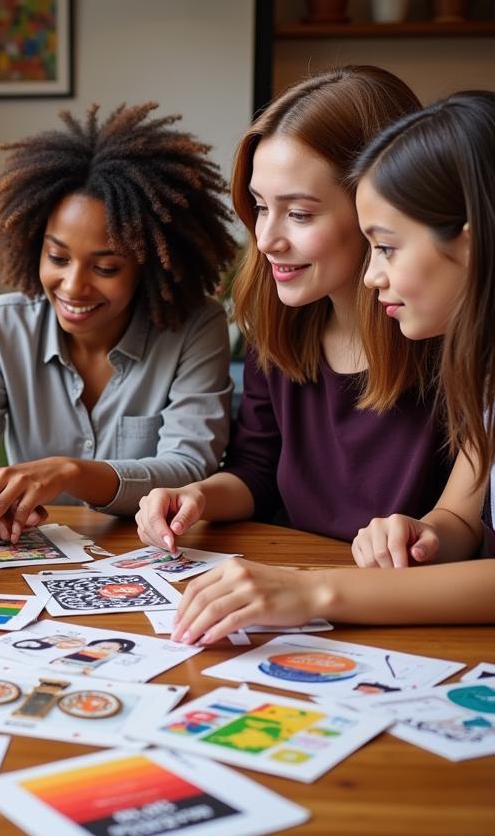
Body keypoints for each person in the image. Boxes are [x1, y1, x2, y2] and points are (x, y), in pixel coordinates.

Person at [170, 90, 495, 643]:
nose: (266, 239)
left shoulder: (455, 352)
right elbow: (459, 520)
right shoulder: (485, 369)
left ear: (467, 244)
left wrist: (313, 591)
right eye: (259, 207)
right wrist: (423, 533)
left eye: (385, 246)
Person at [136, 66, 450, 552]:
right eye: (260, 207)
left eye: (300, 214)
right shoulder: (280, 324)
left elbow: (461, 528)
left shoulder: (451, 340)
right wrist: (194, 496)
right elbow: (257, 472)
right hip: (300, 587)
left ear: (380, 209)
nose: (265, 240)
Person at [0, 102, 236, 542]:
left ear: (151, 266)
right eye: (57, 257)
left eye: (105, 268)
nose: (73, 286)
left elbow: (188, 466)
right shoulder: (1, 326)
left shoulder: (195, 329)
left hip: (150, 552)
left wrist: (69, 473)